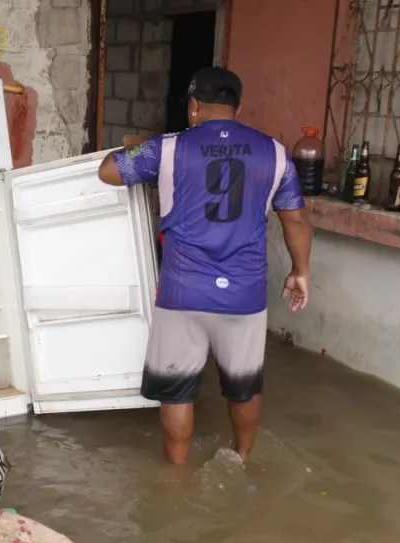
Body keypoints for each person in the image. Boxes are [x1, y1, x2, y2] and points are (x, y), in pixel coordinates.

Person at [97, 66, 312, 466]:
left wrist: (141, 146)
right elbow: (295, 219)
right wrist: (300, 271)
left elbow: (108, 170)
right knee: (244, 386)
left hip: (183, 290)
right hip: (245, 294)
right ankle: (242, 458)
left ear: (194, 106)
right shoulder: (276, 152)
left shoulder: (169, 148)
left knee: (176, 390)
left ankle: (176, 475)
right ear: (238, 107)